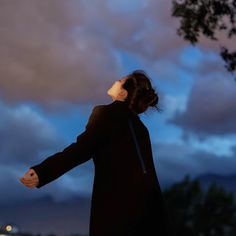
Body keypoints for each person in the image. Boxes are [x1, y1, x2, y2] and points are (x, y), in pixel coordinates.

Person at [19, 70, 172, 236]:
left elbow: (81, 150)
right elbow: (151, 177)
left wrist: (43, 172)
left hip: (115, 211)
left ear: (122, 92)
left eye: (119, 80)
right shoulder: (142, 129)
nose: (115, 80)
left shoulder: (105, 114)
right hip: (147, 215)